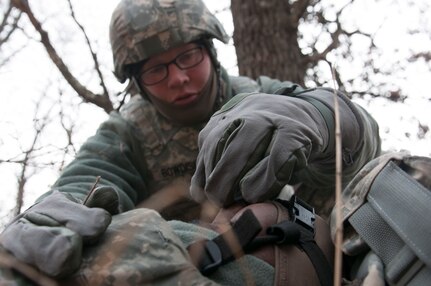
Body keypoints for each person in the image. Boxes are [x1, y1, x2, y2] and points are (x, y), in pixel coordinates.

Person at [0, 0, 382, 283]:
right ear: (137, 81)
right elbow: (89, 178)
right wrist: (55, 213)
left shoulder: (265, 94)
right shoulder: (127, 132)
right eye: (156, 69)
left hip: (310, 251)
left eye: (188, 56)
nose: (178, 78)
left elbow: (362, 142)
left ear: (211, 52)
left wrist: (316, 114)